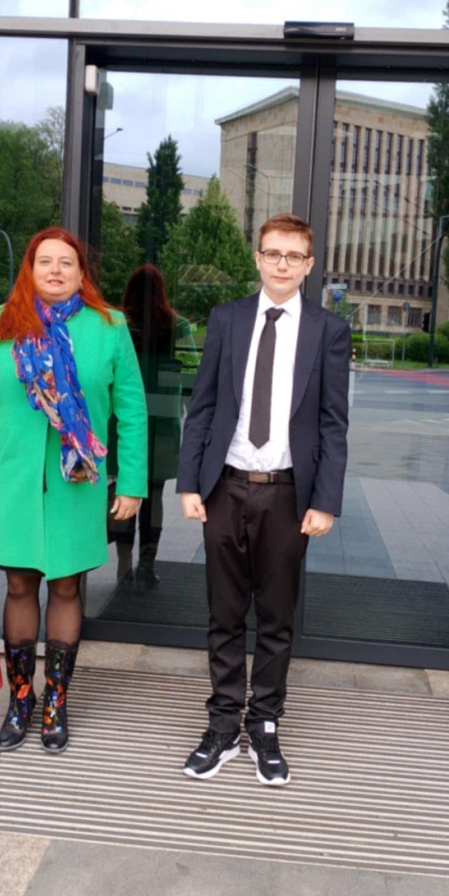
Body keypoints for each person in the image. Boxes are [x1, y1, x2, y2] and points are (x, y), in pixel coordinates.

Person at [0, 227, 148, 753]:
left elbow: (132, 412)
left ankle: (56, 701)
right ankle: (21, 699)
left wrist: (132, 483)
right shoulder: (2, 322)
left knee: (66, 587)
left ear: (82, 274)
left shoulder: (108, 327)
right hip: (15, 479)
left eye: (67, 262)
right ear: (31, 269)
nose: (56, 270)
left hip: (77, 481)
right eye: (45, 261)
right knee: (19, 585)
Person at [177, 213, 351, 786]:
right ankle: (223, 724)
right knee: (224, 614)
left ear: (309, 265)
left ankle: (265, 725)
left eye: (293, 256)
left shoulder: (328, 330)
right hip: (225, 487)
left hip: (287, 494)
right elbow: (203, 406)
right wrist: (189, 482)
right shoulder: (227, 319)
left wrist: (325, 500)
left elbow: (333, 422)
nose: (282, 264)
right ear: (257, 258)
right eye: (272, 253)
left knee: (276, 617)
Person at [109, 264, 195, 589]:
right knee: (153, 495)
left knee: (123, 490)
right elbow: (191, 371)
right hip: (162, 419)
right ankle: (147, 564)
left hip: (120, 419)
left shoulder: (119, 325)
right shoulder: (177, 326)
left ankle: (123, 566)